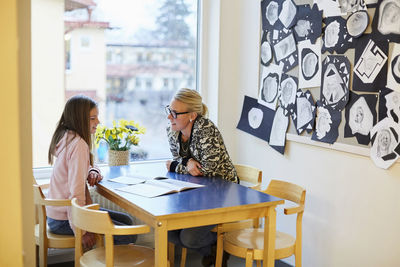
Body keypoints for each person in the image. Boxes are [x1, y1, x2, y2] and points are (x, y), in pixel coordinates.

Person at [46, 95, 136, 250]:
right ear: (79, 120)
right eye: (93, 118)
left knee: (126, 220)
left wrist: (91, 170)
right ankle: (105, 261)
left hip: (55, 216)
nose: (98, 122)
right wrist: (82, 230)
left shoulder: (67, 137)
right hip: (64, 219)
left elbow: (75, 167)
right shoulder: (79, 145)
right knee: (127, 234)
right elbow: (75, 194)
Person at [165, 88, 237, 267]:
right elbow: (178, 159)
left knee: (189, 237)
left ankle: (219, 248)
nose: (169, 117)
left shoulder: (206, 129)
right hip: (194, 191)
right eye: (169, 110)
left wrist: (179, 166)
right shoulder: (172, 131)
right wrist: (187, 162)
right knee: (168, 231)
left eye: (174, 113)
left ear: (192, 115)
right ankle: (214, 250)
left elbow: (206, 170)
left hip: (221, 193)